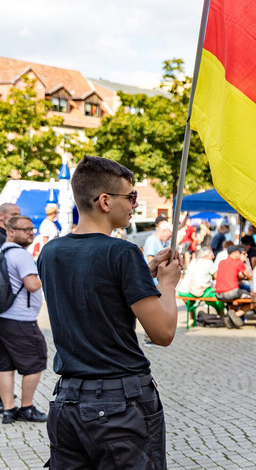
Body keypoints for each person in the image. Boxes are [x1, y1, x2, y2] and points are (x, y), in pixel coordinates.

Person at [36, 155, 181, 468]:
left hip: (67, 402)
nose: (134, 204)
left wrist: (145, 273)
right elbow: (164, 333)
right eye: (130, 196)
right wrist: (167, 284)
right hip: (121, 405)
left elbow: (95, 292)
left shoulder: (50, 253)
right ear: (104, 200)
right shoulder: (122, 252)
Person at [0, 215, 48, 424]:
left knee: (5, 365)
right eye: (25, 230)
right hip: (21, 318)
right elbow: (32, 285)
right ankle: (27, 408)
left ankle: (8, 410)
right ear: (11, 231)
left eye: (31, 229)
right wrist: (43, 276)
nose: (31, 233)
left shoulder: (2, 251)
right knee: (36, 362)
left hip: (3, 316)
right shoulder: (20, 255)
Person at [178, 247, 224, 315]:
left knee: (192, 303)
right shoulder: (209, 262)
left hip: (182, 290)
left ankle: (192, 319)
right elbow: (217, 277)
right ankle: (222, 316)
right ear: (206, 255)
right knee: (217, 297)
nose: (213, 256)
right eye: (211, 254)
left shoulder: (194, 261)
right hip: (196, 291)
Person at [215, 245, 252, 327]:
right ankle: (235, 314)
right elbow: (248, 275)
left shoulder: (221, 262)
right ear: (234, 253)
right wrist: (248, 277)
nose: (240, 254)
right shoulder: (238, 262)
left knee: (236, 297)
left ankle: (230, 315)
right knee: (252, 299)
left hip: (218, 294)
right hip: (231, 292)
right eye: (239, 252)